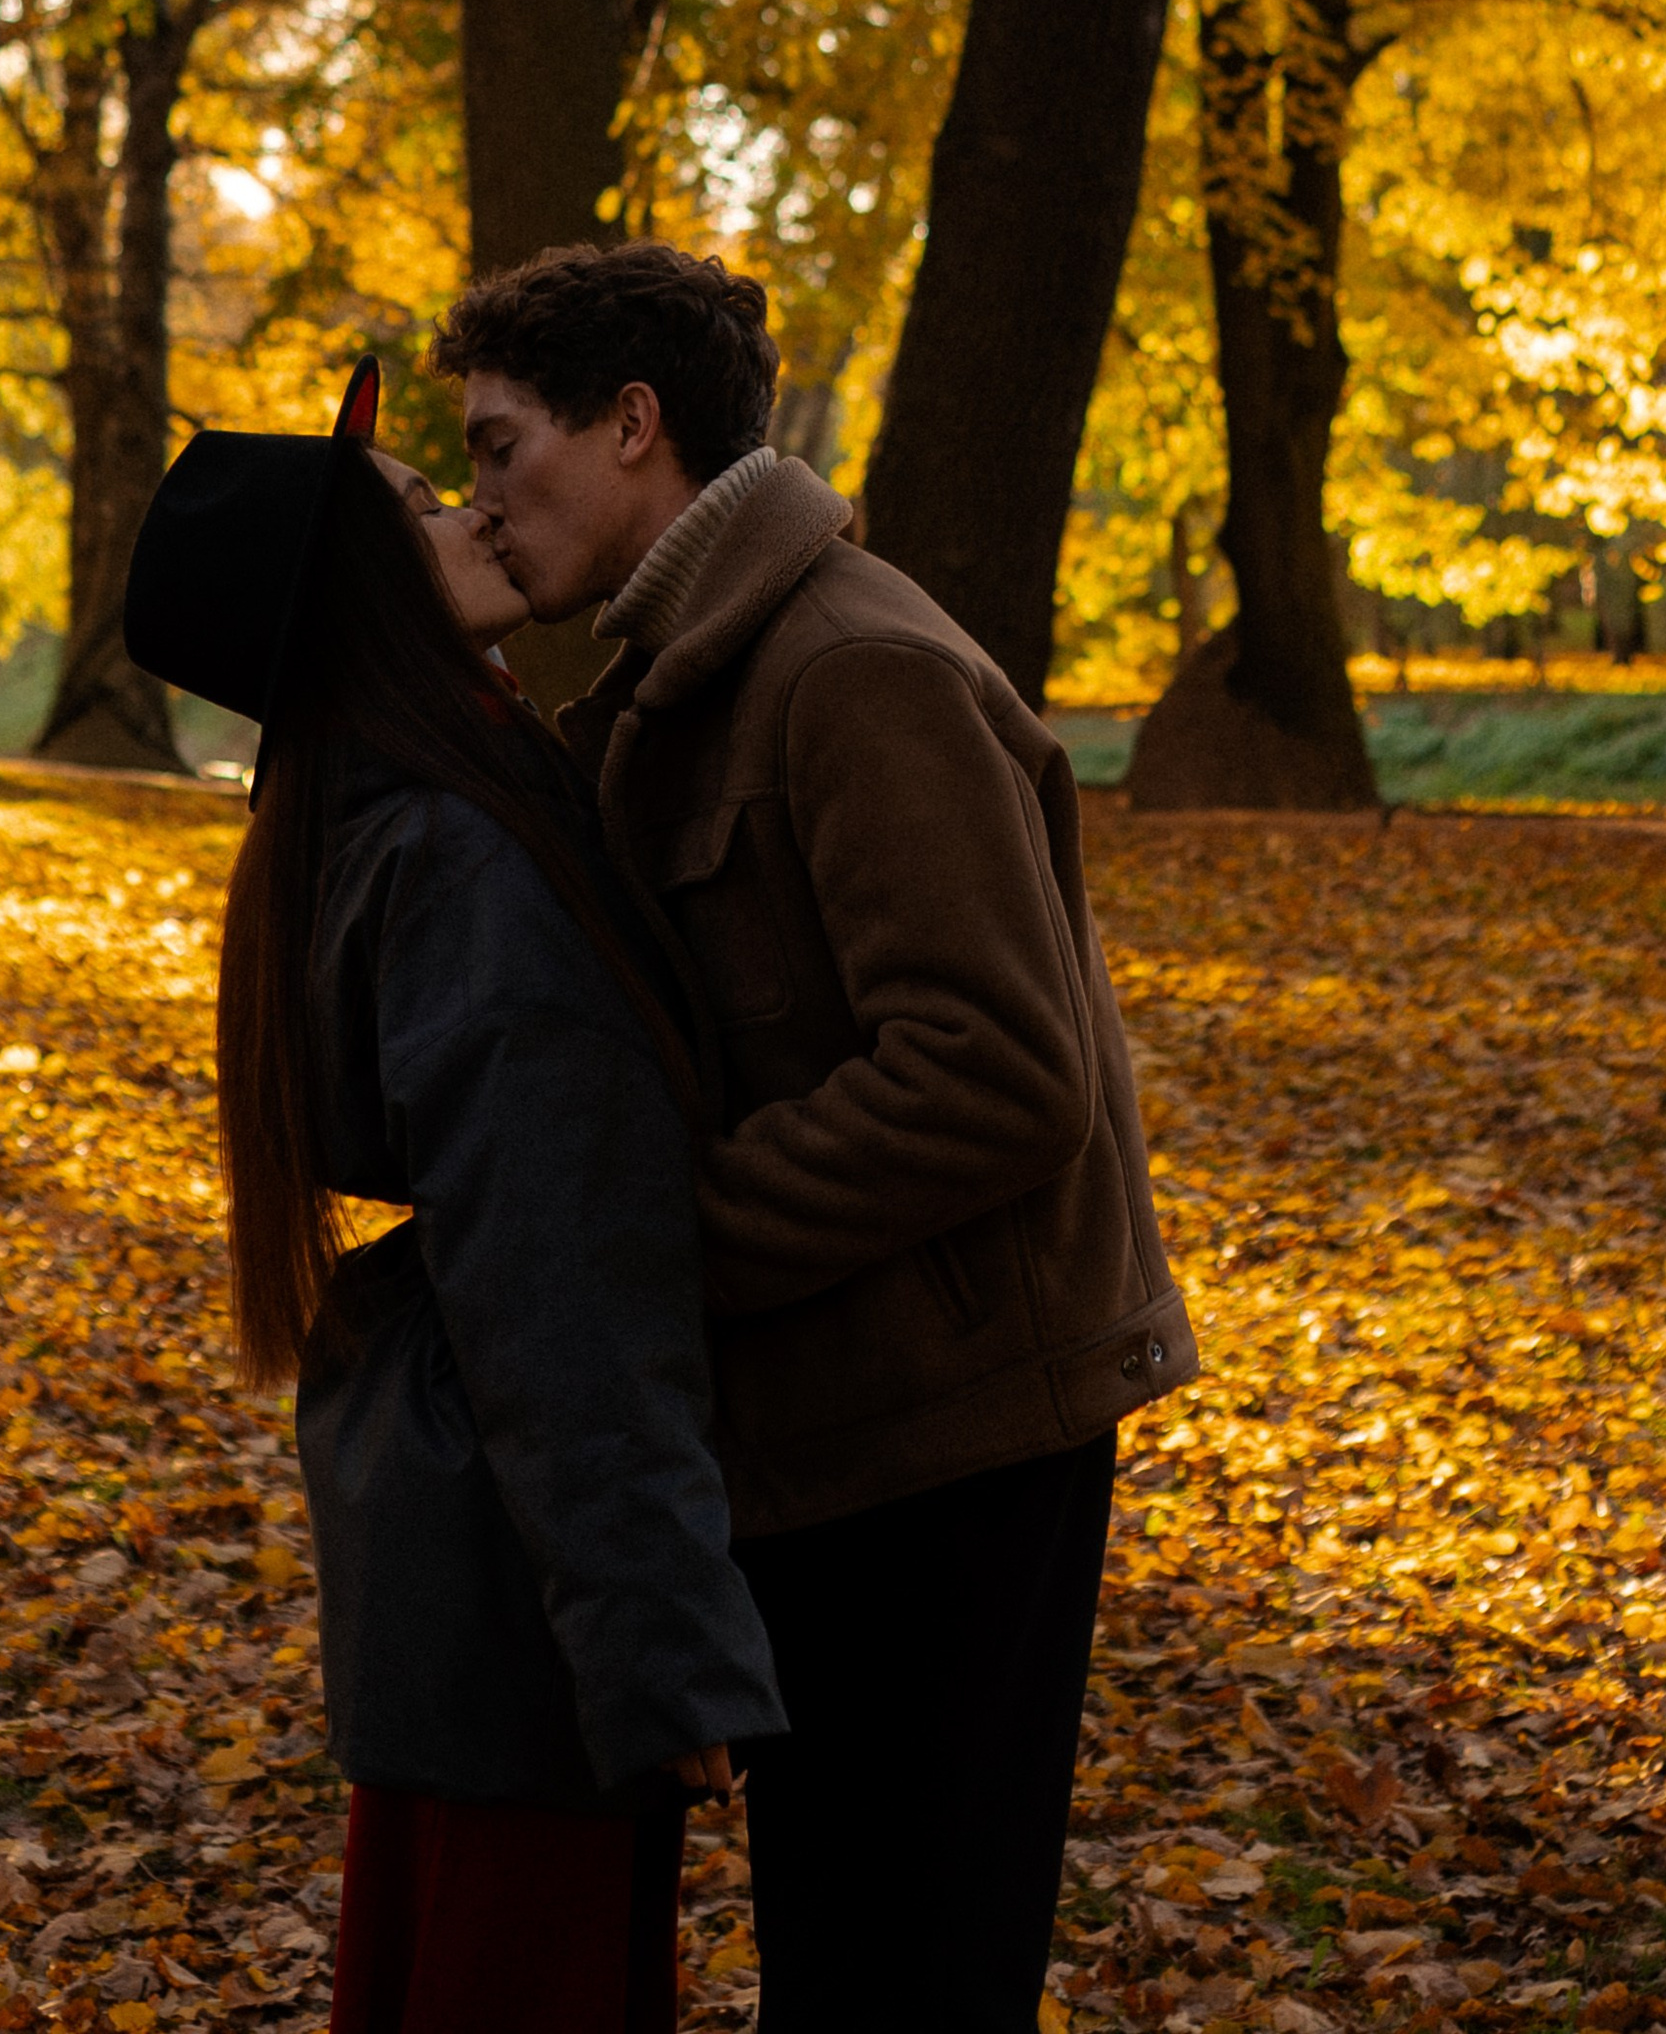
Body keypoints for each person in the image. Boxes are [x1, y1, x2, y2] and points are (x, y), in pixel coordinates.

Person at [432, 245, 1196, 2034]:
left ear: (633, 426)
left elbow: (1000, 1070)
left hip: (957, 1450)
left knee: (907, 1980)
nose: (479, 502)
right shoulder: (679, 680)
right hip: (840, 1426)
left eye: (494, 450)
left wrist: (658, 1243)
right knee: (846, 1969)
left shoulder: (851, 672)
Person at [123, 357, 782, 2034]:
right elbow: (559, 1282)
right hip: (519, 1600)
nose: (475, 505)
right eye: (424, 506)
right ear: (359, 589)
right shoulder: (461, 850)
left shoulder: (406, 798)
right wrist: (663, 1650)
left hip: (471, 1571)